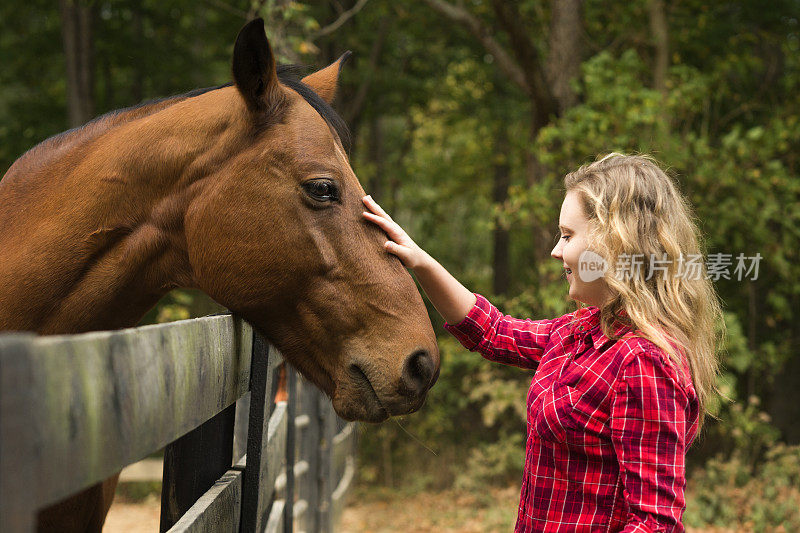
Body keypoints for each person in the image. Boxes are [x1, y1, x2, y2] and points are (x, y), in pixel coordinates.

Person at [361, 153, 722, 532]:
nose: (556, 250)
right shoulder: (581, 331)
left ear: (617, 242)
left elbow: (655, 524)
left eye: (567, 235)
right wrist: (420, 262)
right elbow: (492, 332)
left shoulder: (643, 361)